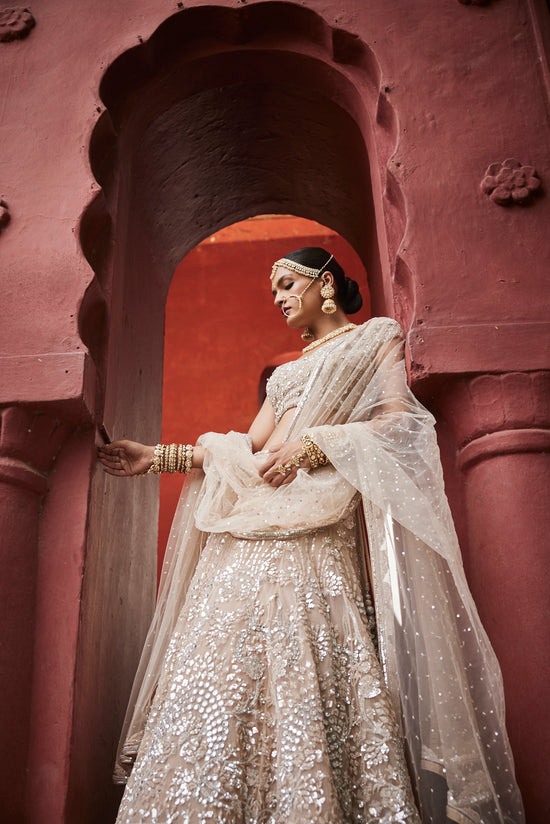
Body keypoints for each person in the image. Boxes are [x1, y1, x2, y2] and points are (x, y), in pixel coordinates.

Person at [99, 248, 524, 824]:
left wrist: (318, 444)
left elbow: (400, 422)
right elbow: (246, 450)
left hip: (319, 528)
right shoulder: (284, 376)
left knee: (312, 655)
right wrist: (156, 457)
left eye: (285, 284)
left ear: (324, 282)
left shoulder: (375, 338)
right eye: (272, 289)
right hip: (253, 523)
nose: (276, 297)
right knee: (222, 667)